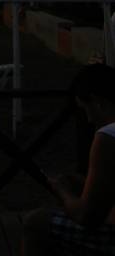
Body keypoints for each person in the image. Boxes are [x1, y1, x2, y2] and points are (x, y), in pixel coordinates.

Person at [21, 64, 115, 255]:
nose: (88, 119)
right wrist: (83, 183)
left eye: (85, 109)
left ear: (97, 102)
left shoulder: (107, 136)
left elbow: (86, 216)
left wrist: (61, 190)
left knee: (36, 223)